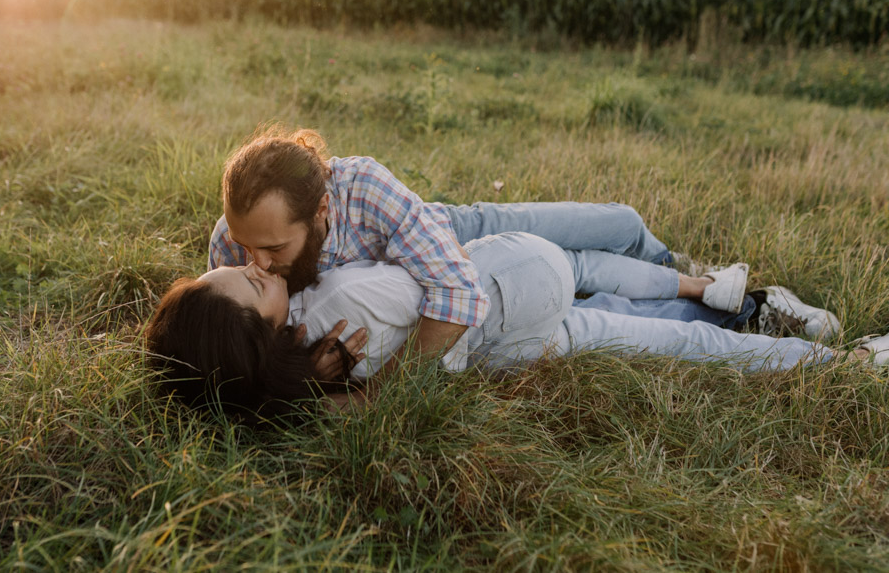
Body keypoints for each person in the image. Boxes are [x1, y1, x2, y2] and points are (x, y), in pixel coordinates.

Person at [208, 126, 784, 373]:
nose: (252, 262)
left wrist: (380, 398)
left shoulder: (363, 187)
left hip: (453, 233)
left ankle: (679, 271)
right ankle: (729, 306)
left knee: (619, 223)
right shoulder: (234, 248)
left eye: (274, 247)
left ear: (323, 210)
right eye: (243, 246)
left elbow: (452, 287)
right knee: (586, 291)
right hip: (439, 286)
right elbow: (238, 336)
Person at [148, 232, 879, 424]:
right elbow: (449, 297)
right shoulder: (343, 303)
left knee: (667, 338)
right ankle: (800, 338)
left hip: (516, 344)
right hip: (513, 291)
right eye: (248, 281)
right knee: (596, 271)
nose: (253, 264)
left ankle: (830, 358)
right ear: (253, 331)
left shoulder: (304, 382)